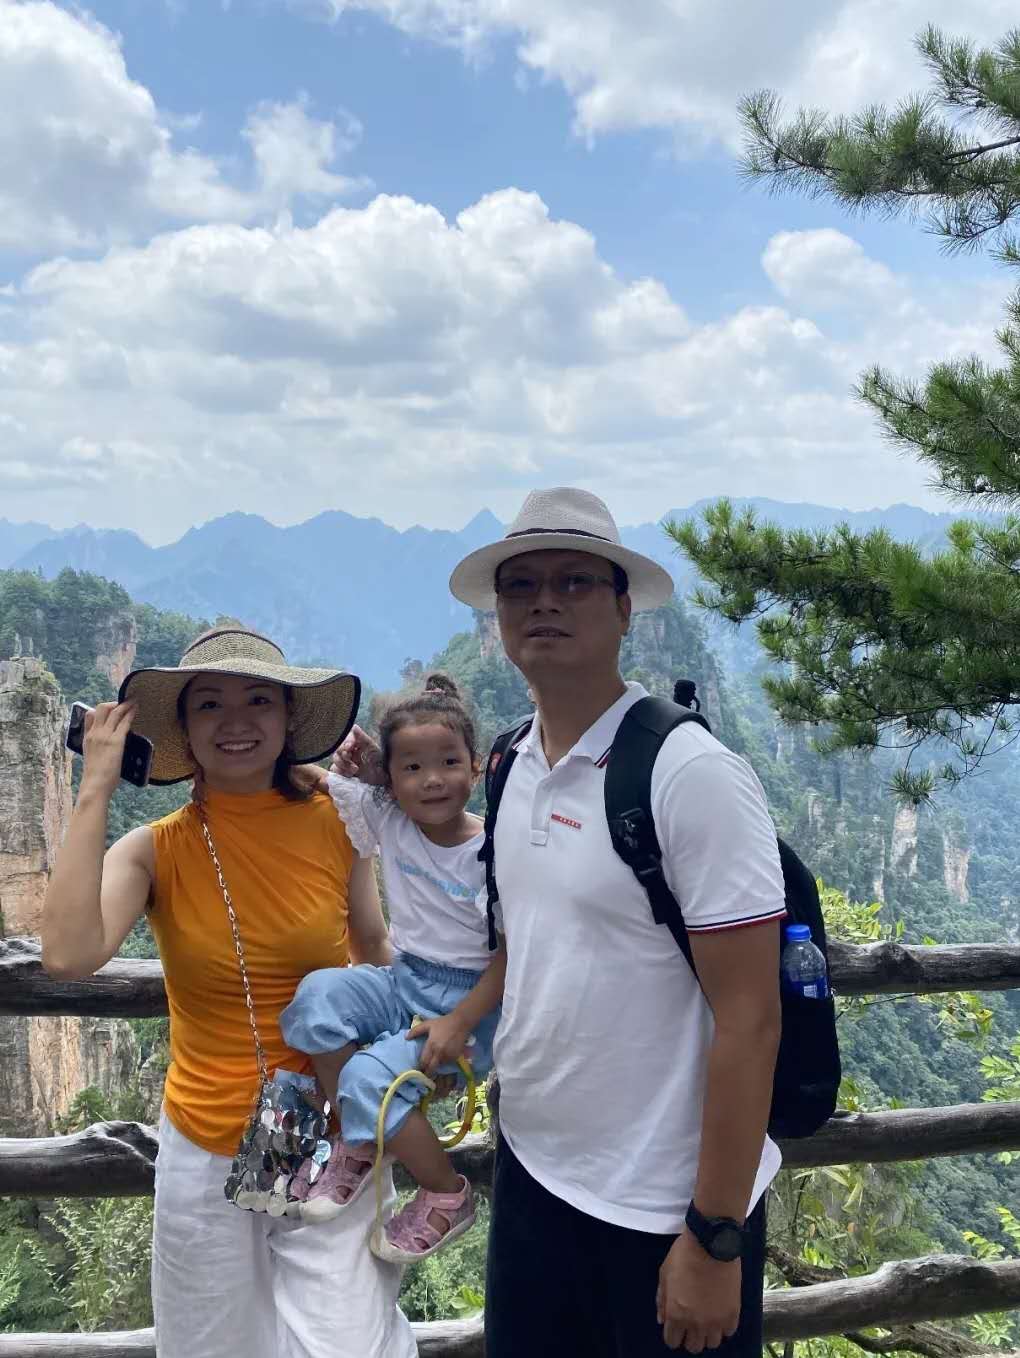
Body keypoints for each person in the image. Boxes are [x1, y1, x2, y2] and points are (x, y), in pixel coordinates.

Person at [449, 488, 786, 1358]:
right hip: (533, 1177)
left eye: (575, 581)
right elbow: (529, 942)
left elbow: (752, 1016)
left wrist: (715, 1235)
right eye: (521, 585)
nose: (544, 602)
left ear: (624, 608)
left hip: (663, 1209)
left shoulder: (688, 773)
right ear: (498, 614)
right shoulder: (511, 760)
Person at [40, 626, 418, 1358]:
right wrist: (95, 788)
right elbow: (67, 954)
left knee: (353, 1342)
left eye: (259, 701)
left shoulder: (338, 822)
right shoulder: (156, 849)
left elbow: (373, 948)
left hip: (331, 1135)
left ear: (288, 718)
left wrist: (405, 1062)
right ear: (184, 730)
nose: (236, 721)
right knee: (213, 1346)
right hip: (205, 1144)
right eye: (209, 704)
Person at [280, 673, 506, 1263]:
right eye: (412, 768)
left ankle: (447, 1193)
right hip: (404, 980)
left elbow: (516, 953)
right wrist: (288, 759)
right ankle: (361, 1143)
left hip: (469, 1005)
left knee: (367, 1078)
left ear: (475, 767)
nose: (432, 779)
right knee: (317, 999)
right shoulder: (390, 819)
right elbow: (330, 783)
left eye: (449, 762)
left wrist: (459, 1022)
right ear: (390, 778)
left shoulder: (492, 854)